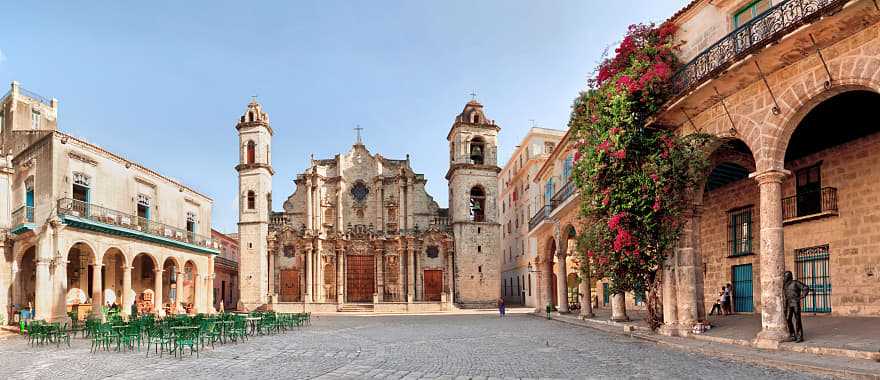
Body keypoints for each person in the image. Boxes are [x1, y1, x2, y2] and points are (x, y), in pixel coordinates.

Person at [783, 271, 811, 342]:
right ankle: (792, 335)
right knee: (788, 319)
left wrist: (802, 296)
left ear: (789, 277)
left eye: (785, 276)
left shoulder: (795, 283)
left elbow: (805, 287)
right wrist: (785, 307)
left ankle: (799, 336)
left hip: (795, 303)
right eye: (784, 276)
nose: (784, 278)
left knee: (797, 319)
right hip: (789, 304)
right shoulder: (785, 285)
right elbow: (786, 296)